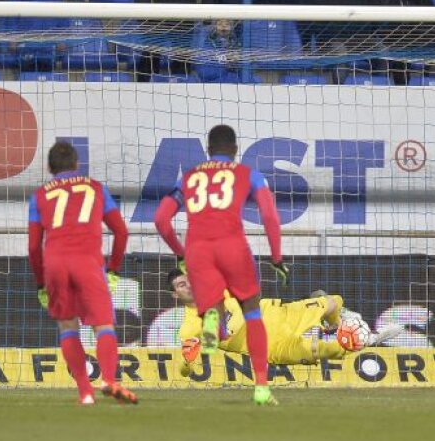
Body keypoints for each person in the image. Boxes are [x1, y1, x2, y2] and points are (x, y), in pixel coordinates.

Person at [153, 124, 288, 406]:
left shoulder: (189, 178)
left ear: (208, 149)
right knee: (252, 314)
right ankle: (261, 388)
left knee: (213, 306)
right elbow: (270, 216)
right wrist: (277, 258)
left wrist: (180, 253)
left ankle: (213, 322)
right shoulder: (249, 175)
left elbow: (161, 220)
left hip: (198, 250)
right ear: (236, 150)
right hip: (233, 247)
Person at [27, 141, 134, 405]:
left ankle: (85, 393)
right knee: (103, 325)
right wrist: (114, 270)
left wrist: (41, 283)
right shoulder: (96, 188)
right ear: (77, 165)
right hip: (87, 262)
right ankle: (109, 380)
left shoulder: (40, 196)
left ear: (49, 168)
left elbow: (32, 247)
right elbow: (121, 231)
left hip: (55, 263)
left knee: (67, 327)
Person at [169, 271, 399, 372]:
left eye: (188, 280)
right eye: (181, 285)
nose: (188, 285)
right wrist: (186, 364)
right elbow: (183, 368)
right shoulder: (190, 326)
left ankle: (339, 323)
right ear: (175, 295)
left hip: (282, 313)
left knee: (333, 302)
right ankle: (368, 339)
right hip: (272, 346)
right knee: (323, 350)